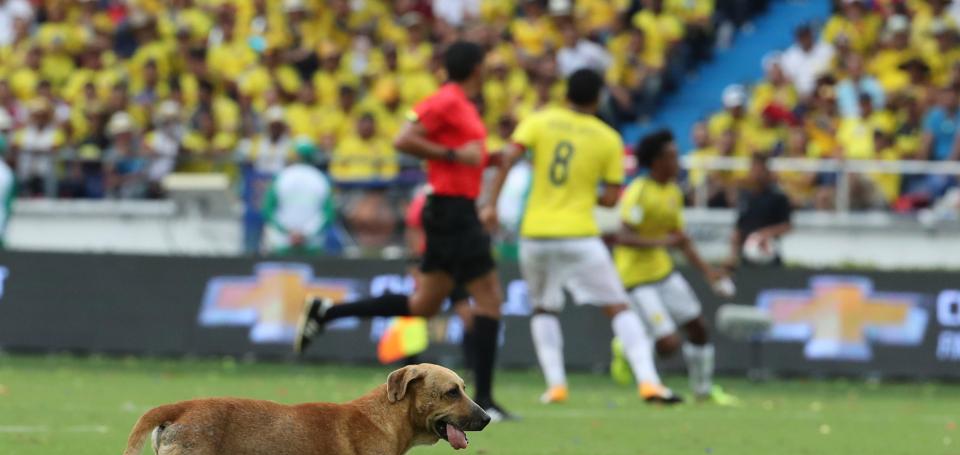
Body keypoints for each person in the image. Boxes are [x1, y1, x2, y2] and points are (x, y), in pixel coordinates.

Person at [295, 41, 513, 421]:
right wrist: (453, 155)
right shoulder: (447, 99)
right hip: (452, 211)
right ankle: (489, 398)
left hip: (452, 210)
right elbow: (403, 138)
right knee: (490, 297)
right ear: (476, 67)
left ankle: (327, 311)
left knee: (422, 306)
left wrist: (489, 158)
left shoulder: (462, 105)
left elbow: (465, 158)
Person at [482, 68, 680, 405]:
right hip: (579, 235)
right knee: (619, 307)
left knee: (544, 309)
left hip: (536, 234)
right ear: (599, 97)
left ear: (565, 93)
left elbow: (507, 158)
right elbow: (612, 198)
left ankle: (556, 386)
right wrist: (586, 191)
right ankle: (649, 382)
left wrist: (491, 204)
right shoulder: (607, 137)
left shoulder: (539, 121)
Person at [608, 129, 738, 404]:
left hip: (663, 273)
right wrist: (663, 241)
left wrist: (709, 273)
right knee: (668, 346)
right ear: (656, 162)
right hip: (636, 278)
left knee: (698, 328)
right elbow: (622, 236)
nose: (677, 163)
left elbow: (681, 240)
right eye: (672, 157)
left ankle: (703, 391)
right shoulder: (639, 192)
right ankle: (625, 348)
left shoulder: (673, 192)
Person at [261, 138, 335, 255]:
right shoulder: (321, 179)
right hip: (312, 243)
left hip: (282, 242)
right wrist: (306, 233)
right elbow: (329, 213)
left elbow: (268, 209)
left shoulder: (281, 176)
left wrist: (287, 232)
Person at [727, 152, 793, 268]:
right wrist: (732, 255)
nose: (756, 173)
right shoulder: (745, 196)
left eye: (759, 169)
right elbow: (739, 227)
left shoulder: (777, 196)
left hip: (769, 254)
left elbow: (787, 225)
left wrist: (764, 234)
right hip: (746, 257)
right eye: (753, 168)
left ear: (766, 170)